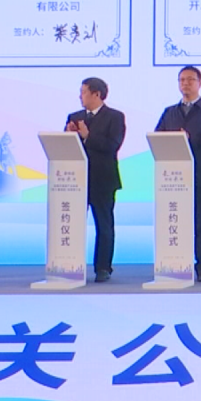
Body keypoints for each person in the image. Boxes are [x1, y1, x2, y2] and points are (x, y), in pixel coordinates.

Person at [155, 66, 201, 282]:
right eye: (182, 80)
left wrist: (190, 139)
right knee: (175, 219)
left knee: (200, 220)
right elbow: (158, 136)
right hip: (172, 178)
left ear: (199, 83)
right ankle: (175, 261)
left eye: (190, 80)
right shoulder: (170, 112)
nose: (185, 83)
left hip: (199, 174)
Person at [65, 77, 126, 283]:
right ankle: (71, 264)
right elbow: (67, 148)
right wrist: (69, 136)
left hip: (103, 179)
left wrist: (87, 136)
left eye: (83, 92)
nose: (80, 96)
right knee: (73, 223)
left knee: (104, 225)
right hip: (76, 180)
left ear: (96, 94)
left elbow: (113, 145)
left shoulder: (115, 117)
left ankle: (103, 268)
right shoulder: (74, 117)